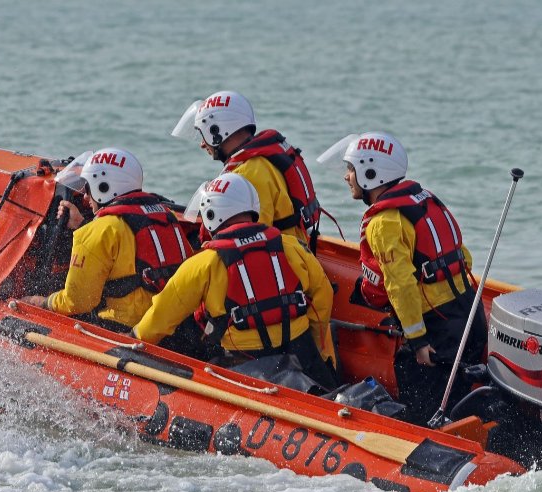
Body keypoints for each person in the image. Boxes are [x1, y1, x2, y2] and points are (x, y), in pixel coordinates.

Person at [317, 131, 486, 425]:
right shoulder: (424, 199)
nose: (346, 177)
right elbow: (463, 257)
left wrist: (418, 341)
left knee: (422, 404)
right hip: (469, 314)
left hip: (438, 332)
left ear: (370, 172)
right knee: (456, 401)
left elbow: (400, 285)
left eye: (351, 169)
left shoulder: (384, 223)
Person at [133, 173, 337, 390]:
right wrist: (317, 345)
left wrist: (134, 338)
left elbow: (161, 316)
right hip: (303, 353)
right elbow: (323, 296)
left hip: (246, 363)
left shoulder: (205, 263)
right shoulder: (291, 246)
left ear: (211, 213)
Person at [20, 148, 205, 355]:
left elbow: (78, 301)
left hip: (124, 328)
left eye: (87, 189)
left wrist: (42, 301)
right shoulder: (166, 215)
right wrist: (82, 224)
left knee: (47, 308)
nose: (85, 196)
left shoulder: (98, 231)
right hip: (176, 328)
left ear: (104, 187)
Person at [171, 91, 322, 249]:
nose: (202, 144)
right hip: (295, 249)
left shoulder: (249, 173)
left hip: (281, 258)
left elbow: (251, 240)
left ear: (217, 131)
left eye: (203, 135)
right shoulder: (261, 161)